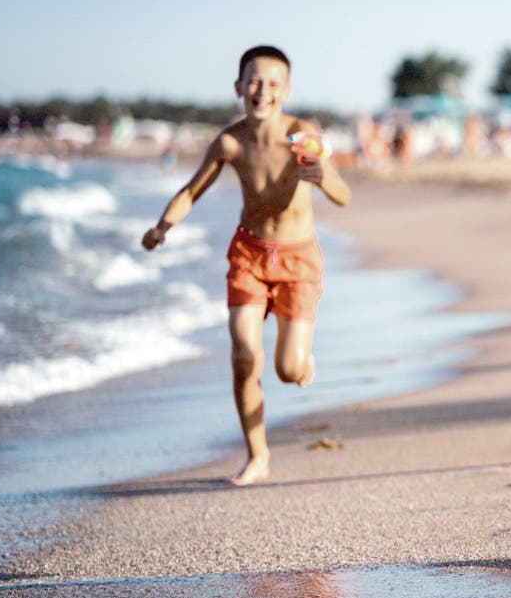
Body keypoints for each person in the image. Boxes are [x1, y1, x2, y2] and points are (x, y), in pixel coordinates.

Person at [141, 45, 352, 486]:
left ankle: (301, 361)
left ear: (287, 91)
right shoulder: (230, 141)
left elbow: (342, 194)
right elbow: (190, 190)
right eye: (254, 82)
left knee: (288, 371)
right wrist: (163, 226)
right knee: (243, 355)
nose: (263, 91)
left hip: (297, 258)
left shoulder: (302, 137)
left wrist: (322, 176)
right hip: (249, 255)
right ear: (238, 87)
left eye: (273, 84)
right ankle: (258, 455)